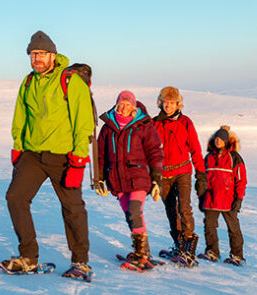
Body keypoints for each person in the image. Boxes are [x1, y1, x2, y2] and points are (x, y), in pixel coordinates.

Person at [4, 30, 95, 280]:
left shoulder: (70, 81)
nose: (37, 58)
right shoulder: (28, 82)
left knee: (72, 207)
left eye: (42, 53)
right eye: (33, 54)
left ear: (53, 55)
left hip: (63, 156)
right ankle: (28, 257)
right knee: (15, 197)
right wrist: (18, 148)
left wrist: (78, 159)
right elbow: (20, 117)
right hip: (32, 154)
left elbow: (83, 122)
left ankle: (81, 261)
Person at [95, 91, 163, 271]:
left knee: (134, 211)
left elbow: (155, 152)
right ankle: (143, 252)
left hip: (139, 177)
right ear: (117, 105)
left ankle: (141, 256)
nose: (124, 106)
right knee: (131, 215)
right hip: (117, 179)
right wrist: (99, 179)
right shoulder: (108, 127)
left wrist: (157, 180)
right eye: (121, 103)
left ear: (134, 105)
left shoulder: (143, 125)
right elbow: (100, 155)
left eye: (128, 103)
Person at [151, 86, 206, 266]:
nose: (168, 106)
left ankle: (189, 248)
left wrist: (201, 174)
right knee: (171, 211)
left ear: (177, 104)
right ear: (161, 103)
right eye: (165, 102)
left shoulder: (186, 122)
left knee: (184, 207)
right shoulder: (155, 123)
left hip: (182, 171)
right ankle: (178, 245)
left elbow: (195, 149)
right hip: (163, 174)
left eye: (172, 103)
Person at [199, 125, 248, 266]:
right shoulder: (209, 157)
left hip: (228, 199)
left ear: (226, 141)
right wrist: (202, 194)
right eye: (216, 139)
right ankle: (212, 252)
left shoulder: (234, 157)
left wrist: (238, 198)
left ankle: (237, 256)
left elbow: (241, 180)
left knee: (233, 229)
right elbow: (202, 178)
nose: (218, 141)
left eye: (221, 139)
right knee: (209, 226)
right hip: (211, 199)